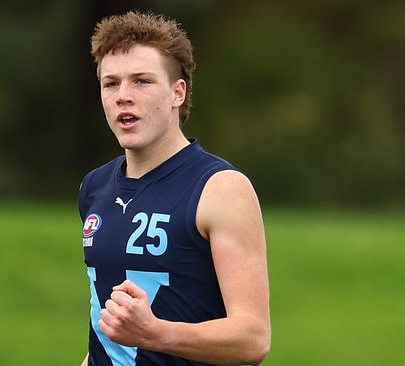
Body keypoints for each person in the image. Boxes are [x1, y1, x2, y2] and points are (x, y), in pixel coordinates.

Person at [78, 11, 270, 366]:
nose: (123, 96)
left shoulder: (220, 188)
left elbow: (253, 339)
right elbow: (105, 336)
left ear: (177, 93)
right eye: (111, 83)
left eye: (141, 81)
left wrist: (155, 333)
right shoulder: (95, 187)